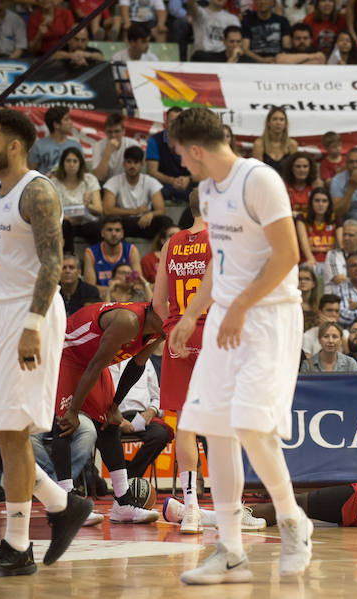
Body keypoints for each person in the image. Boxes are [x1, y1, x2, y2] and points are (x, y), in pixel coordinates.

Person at [168, 106, 314, 584]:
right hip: (225, 320)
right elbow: (222, 262)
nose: (181, 164)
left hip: (268, 317)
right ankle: (229, 549)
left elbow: (288, 254)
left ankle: (294, 521)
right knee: (217, 429)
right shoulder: (207, 193)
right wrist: (192, 315)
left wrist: (239, 307)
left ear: (194, 149)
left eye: (180, 155)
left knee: (252, 426)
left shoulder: (260, 180)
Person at [0, 108, 92, 577]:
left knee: (13, 432)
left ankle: (17, 545)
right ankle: (61, 502)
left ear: (14, 146)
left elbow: (53, 263)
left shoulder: (37, 191)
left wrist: (33, 324)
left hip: (30, 315)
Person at [52, 301, 164, 523]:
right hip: (67, 352)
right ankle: (64, 506)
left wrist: (114, 407)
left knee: (110, 424)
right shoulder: (128, 320)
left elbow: (137, 365)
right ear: (158, 310)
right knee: (65, 424)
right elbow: (94, 365)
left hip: (93, 362)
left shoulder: (160, 330)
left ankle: (123, 503)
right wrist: (73, 410)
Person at [151, 190, 213, 533]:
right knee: (220, 426)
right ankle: (229, 504)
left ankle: (190, 508)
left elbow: (158, 301)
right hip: (211, 331)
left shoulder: (171, 243)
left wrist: (172, 328)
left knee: (185, 425)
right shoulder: (218, 239)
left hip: (178, 334)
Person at [111, 358, 172, 478]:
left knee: (160, 435)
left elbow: (158, 397)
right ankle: (123, 475)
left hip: (141, 416)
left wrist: (152, 410)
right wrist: (118, 420)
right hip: (112, 415)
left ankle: (130, 475)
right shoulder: (103, 360)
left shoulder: (143, 360)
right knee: (105, 435)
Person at [102, 146, 172, 240]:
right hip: (124, 222)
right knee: (111, 225)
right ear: (124, 163)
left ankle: (163, 253)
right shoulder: (114, 181)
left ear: (142, 164)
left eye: (136, 162)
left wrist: (151, 214)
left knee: (165, 221)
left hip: (145, 222)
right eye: (129, 162)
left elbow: (161, 210)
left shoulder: (150, 181)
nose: (132, 166)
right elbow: (107, 210)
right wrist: (135, 211)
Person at [52, 147, 103, 254]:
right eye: (68, 161)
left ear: (80, 163)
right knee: (65, 225)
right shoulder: (54, 182)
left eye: (75, 161)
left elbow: (99, 210)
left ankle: (97, 260)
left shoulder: (89, 180)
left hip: (85, 222)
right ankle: (68, 259)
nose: (71, 164)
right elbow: (52, 210)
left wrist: (88, 205)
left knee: (97, 228)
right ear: (62, 163)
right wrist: (68, 218)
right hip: (65, 221)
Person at [83, 216, 143, 294]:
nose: (114, 234)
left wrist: (113, 289)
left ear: (122, 234)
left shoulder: (131, 250)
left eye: (117, 230)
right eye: (109, 230)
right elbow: (90, 288)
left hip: (127, 298)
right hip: (100, 299)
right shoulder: (90, 253)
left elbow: (137, 284)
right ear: (102, 233)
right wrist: (117, 289)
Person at [146, 107, 194, 205]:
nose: (176, 125)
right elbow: (151, 171)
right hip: (164, 185)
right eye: (172, 121)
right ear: (166, 123)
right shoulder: (155, 141)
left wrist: (188, 179)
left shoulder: (193, 141)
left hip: (188, 184)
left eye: (179, 121)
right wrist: (172, 181)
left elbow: (202, 170)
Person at [296, 188, 340, 275]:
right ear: (311, 203)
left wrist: (316, 248)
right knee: (312, 268)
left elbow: (340, 244)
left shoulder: (336, 218)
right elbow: (304, 244)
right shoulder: (302, 218)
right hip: (310, 260)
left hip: (331, 261)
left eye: (324, 201)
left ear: (329, 204)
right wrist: (311, 258)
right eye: (317, 201)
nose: (321, 204)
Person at [28, 107, 81, 177]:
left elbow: (81, 170)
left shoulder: (75, 145)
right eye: (66, 119)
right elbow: (30, 172)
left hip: (68, 185)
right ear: (56, 124)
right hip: (45, 185)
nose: (71, 122)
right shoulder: (39, 146)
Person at [92, 113, 140, 183]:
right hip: (105, 185)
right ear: (105, 131)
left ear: (124, 131)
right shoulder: (98, 146)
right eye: (110, 132)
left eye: (117, 131)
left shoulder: (132, 144)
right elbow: (99, 177)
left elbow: (135, 172)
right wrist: (108, 151)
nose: (113, 135)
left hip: (127, 183)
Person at [253, 106, 298, 174]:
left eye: (281, 119)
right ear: (268, 123)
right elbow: (257, 172)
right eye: (275, 119)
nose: (278, 123)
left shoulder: (292, 145)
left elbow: (294, 172)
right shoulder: (259, 144)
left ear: (285, 124)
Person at [284, 152, 323, 217]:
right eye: (298, 166)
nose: (302, 170)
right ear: (291, 168)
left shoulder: (316, 185)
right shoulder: (284, 185)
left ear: (310, 168)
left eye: (305, 166)